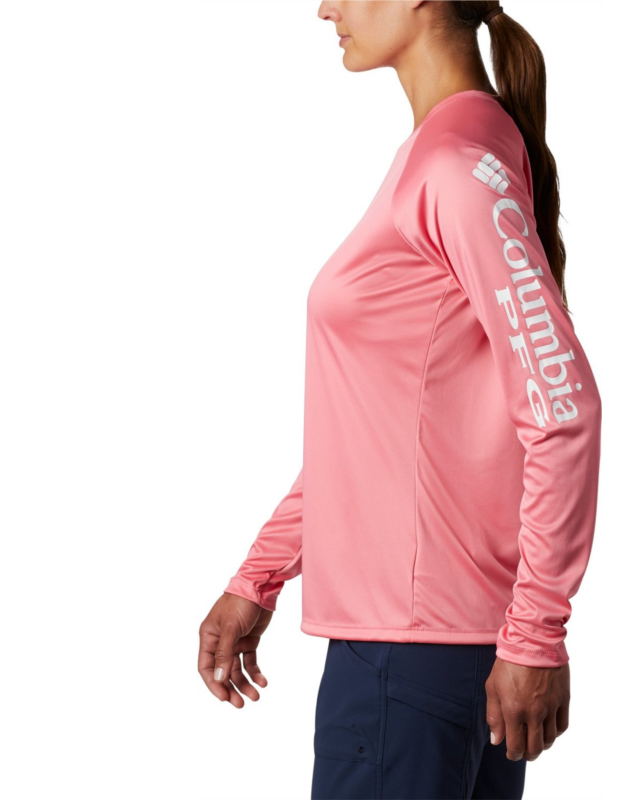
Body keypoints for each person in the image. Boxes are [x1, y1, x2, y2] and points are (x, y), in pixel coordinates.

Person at [198, 2, 602, 798]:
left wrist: (537, 631)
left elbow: (563, 408)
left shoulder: (454, 165)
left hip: (408, 659)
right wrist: (260, 574)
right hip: (438, 650)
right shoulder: (460, 150)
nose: (326, 8)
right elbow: (379, 439)